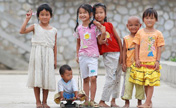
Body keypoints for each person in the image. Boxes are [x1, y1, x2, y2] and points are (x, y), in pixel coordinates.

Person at [19, 4, 57, 108]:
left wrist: (55, 60)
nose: (44, 17)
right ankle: (38, 102)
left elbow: (55, 46)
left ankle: (45, 102)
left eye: (47, 14)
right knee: (37, 78)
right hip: (37, 55)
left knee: (46, 79)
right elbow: (22, 31)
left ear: (51, 16)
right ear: (38, 16)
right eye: (42, 14)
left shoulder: (54, 30)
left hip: (48, 56)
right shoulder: (35, 27)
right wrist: (27, 19)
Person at [129, 8, 165, 108]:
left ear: (156, 20)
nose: (149, 20)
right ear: (143, 19)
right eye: (147, 18)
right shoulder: (140, 32)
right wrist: (137, 59)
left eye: (152, 18)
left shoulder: (158, 33)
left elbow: (158, 48)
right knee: (145, 83)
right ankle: (148, 102)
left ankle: (147, 102)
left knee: (150, 83)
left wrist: (157, 61)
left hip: (152, 63)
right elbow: (136, 46)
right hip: (142, 62)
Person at [74, 4, 106, 107]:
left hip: (93, 57)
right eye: (80, 13)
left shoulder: (94, 27)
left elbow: (100, 41)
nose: (82, 15)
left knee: (93, 78)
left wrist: (102, 31)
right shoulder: (78, 28)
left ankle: (92, 100)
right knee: (86, 79)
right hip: (83, 56)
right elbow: (78, 42)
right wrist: (77, 55)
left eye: (85, 13)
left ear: (90, 14)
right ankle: (86, 101)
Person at [93, 3, 123, 107]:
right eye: (96, 13)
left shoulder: (109, 25)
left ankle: (113, 101)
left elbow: (119, 39)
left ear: (105, 14)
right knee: (111, 78)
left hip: (118, 53)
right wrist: (102, 31)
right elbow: (100, 42)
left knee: (118, 78)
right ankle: (102, 101)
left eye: (101, 12)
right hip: (108, 55)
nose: (98, 15)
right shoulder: (95, 28)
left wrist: (122, 54)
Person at [121, 16, 145, 108]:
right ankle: (127, 102)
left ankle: (139, 102)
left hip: (139, 66)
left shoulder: (142, 38)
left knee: (139, 85)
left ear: (140, 25)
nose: (133, 27)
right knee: (128, 85)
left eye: (136, 25)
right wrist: (123, 63)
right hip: (129, 66)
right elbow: (124, 51)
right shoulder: (126, 38)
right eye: (131, 25)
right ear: (127, 26)